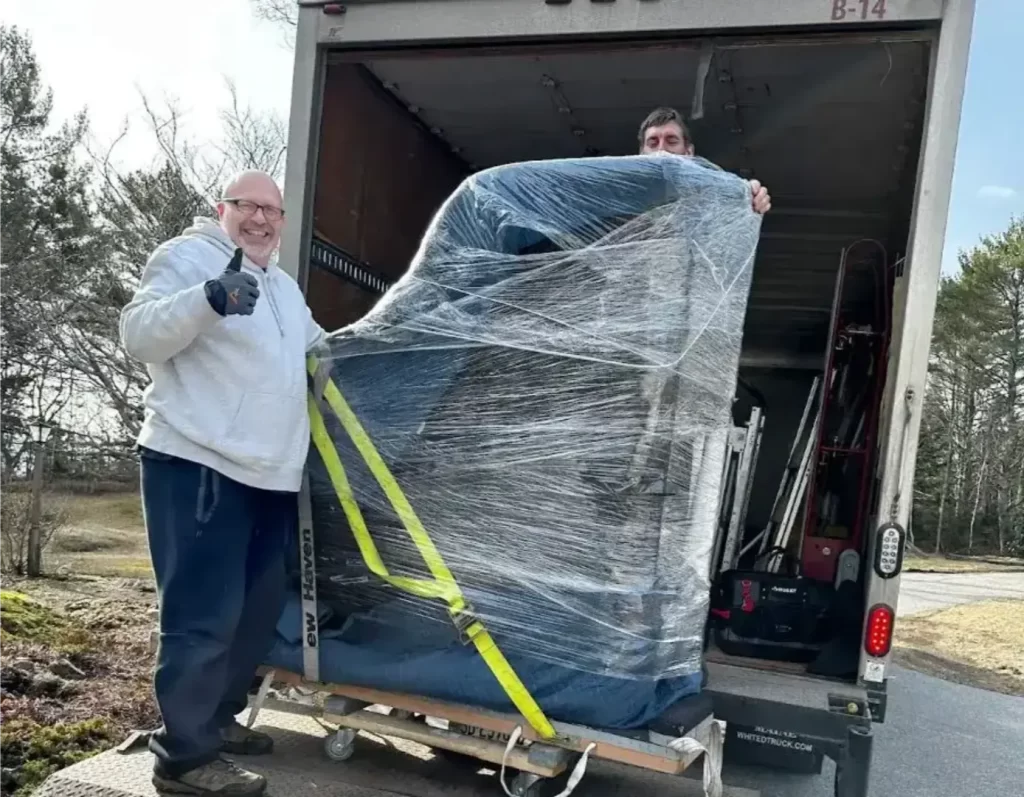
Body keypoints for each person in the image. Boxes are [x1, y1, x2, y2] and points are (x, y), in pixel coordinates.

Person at [120, 170, 326, 796]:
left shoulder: (285, 288)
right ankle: (182, 759)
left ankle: (213, 722)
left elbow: (318, 352)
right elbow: (137, 335)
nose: (261, 219)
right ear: (222, 208)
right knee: (203, 618)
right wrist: (207, 299)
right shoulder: (186, 258)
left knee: (254, 614)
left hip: (269, 475)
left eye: (273, 210)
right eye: (248, 206)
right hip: (199, 464)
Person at [638, 106, 772, 215]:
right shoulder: (623, 193)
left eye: (671, 141)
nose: (661, 150)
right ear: (641, 153)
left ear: (689, 152)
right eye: (653, 143)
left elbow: (739, 195)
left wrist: (752, 195)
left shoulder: (707, 196)